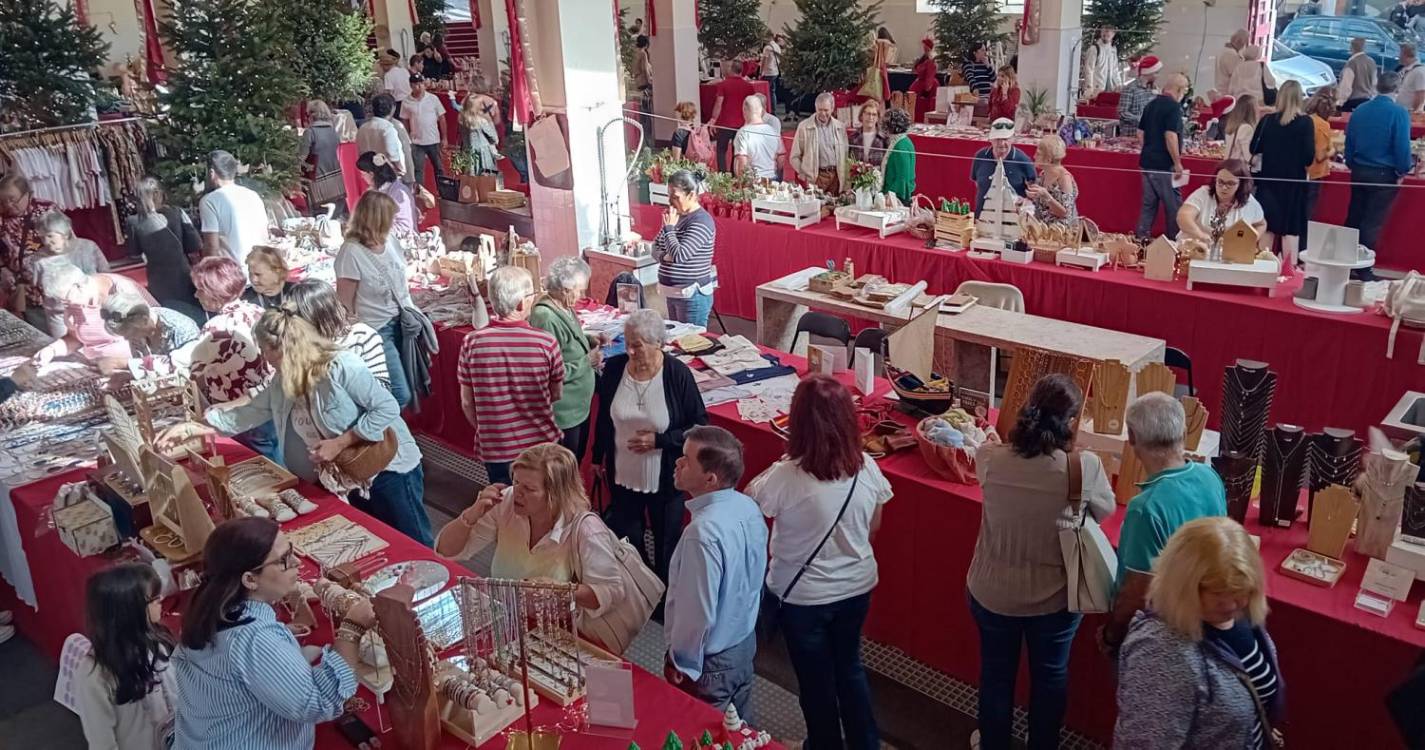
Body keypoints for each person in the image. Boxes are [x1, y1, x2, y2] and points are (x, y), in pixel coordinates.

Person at [188, 306, 431, 542]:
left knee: (413, 541)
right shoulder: (284, 379)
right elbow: (250, 412)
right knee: (381, 540)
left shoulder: (340, 365)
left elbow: (387, 406)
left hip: (388, 470)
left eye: (263, 349)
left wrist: (341, 442)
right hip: (349, 476)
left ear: (282, 348)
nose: (263, 357)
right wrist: (199, 428)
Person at [966, 374, 1115, 750]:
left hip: (993, 590)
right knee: (1050, 677)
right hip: (1056, 599)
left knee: (996, 676)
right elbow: (1105, 510)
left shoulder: (990, 457)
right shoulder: (1084, 468)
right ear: (1072, 421)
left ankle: (993, 742)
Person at [745, 376, 890, 750]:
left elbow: (748, 505)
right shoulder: (868, 468)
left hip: (802, 596)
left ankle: (823, 744)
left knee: (815, 681)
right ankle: (865, 743)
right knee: (850, 669)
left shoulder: (785, 476)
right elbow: (873, 527)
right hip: (857, 587)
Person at [172, 518, 373, 748]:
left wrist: (283, 640)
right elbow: (318, 702)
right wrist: (352, 629)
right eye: (284, 560)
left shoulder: (214, 608)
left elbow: (237, 661)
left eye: (292, 551)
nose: (297, 562)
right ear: (249, 579)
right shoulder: (255, 639)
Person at [1114, 517, 1284, 748]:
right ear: (1183, 584)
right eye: (1217, 592)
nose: (1231, 605)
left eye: (1239, 591)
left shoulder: (1241, 617)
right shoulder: (1162, 653)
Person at [434, 442, 629, 641]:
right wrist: (471, 514)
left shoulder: (585, 529)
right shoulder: (507, 501)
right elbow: (445, 551)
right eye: (516, 481)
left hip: (554, 633)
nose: (517, 492)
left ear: (555, 495)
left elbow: (612, 592)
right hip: (503, 617)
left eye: (529, 488)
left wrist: (562, 590)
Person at [1100, 393, 1227, 655]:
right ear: (1182, 431)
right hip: (1202, 624)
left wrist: (1112, 634)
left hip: (1161, 640)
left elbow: (1138, 591)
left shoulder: (1146, 508)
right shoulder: (1210, 477)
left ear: (1133, 437)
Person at [592, 309, 708, 582]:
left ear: (658, 343)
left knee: (667, 541)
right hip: (622, 475)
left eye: (637, 345)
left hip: (666, 479)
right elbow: (604, 420)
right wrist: (597, 457)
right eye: (628, 342)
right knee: (629, 539)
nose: (630, 351)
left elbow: (699, 425)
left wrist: (660, 441)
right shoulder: (614, 369)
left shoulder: (677, 375)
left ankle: (667, 595)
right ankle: (641, 588)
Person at [664, 425, 767, 722]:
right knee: (739, 730)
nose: (677, 462)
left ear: (710, 479)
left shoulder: (702, 532)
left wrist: (680, 663)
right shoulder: (747, 507)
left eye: (687, 460)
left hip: (709, 662)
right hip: (743, 642)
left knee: (702, 733)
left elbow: (697, 612)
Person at [457, 266, 563, 485]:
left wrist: (489, 429)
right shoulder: (545, 342)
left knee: (504, 508)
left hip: (496, 448)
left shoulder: (472, 342)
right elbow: (556, 393)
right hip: (539, 444)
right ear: (521, 303)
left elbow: (467, 402)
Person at [75, 563, 176, 750]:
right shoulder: (94, 675)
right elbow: (102, 743)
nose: (160, 599)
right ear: (129, 611)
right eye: (153, 598)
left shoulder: (158, 641)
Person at [190, 256, 277, 459]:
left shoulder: (216, 327)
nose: (195, 295)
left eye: (200, 290)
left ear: (214, 293)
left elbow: (187, 366)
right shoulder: (258, 311)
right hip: (271, 401)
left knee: (262, 467)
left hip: (242, 409)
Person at [333, 192, 414, 408]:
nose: (394, 222)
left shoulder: (391, 241)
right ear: (376, 219)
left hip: (403, 323)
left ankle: (396, 434)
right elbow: (344, 303)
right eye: (390, 217)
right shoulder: (351, 253)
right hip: (377, 330)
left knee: (411, 386)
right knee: (399, 393)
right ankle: (380, 433)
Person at [529, 257, 601, 460]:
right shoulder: (545, 317)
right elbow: (548, 370)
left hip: (578, 407)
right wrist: (587, 361)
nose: (582, 295)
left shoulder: (564, 307)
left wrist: (589, 339)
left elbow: (567, 341)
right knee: (564, 469)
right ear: (564, 289)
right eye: (579, 290)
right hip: (564, 413)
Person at [1345, 71, 1412, 277]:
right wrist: (1403, 169)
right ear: (1397, 89)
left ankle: (1345, 261)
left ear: (1377, 86)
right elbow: (1402, 147)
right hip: (1383, 174)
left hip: (1359, 170)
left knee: (1354, 217)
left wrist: (1351, 163)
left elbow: (1349, 142)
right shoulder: (1399, 113)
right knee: (1371, 221)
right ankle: (1363, 267)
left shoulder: (1360, 110)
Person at [30, 261, 150, 367]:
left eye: (66, 299)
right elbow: (75, 338)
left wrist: (121, 364)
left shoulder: (119, 291)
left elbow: (149, 337)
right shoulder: (75, 301)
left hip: (133, 366)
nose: (65, 304)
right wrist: (52, 350)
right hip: (98, 367)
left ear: (79, 286)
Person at [1250, 80, 1315, 269]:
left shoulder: (1267, 121)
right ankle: (1289, 270)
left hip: (1268, 181)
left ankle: (1262, 267)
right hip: (1293, 183)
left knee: (1267, 226)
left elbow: (1253, 147)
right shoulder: (1305, 123)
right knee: (1291, 230)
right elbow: (1308, 157)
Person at [287, 279, 391, 394]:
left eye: (297, 316)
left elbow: (383, 389)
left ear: (321, 315)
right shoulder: (297, 347)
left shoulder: (361, 337)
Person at [125, 177, 202, 325]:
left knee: (168, 318)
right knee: (192, 314)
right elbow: (194, 244)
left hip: (158, 279)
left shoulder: (133, 221)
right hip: (183, 274)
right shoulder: (178, 212)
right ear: (158, 193)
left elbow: (134, 253)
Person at [653, 170, 717, 328]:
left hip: (692, 296)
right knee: (676, 342)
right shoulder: (676, 217)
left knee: (690, 343)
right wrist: (664, 257)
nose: (670, 202)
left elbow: (680, 255)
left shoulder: (701, 221)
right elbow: (654, 247)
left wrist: (669, 229)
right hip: (673, 293)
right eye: (668, 196)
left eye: (675, 197)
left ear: (691, 195)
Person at [1134, 71, 1188, 241]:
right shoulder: (1174, 108)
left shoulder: (1151, 104)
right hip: (1164, 165)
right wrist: (1177, 162)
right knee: (1174, 205)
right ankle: (1175, 241)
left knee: (1149, 204)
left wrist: (1149, 148)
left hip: (1147, 161)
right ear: (1179, 90)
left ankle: (1141, 237)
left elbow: (1140, 133)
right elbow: (1170, 136)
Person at [199, 150, 267, 277]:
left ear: (212, 173)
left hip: (233, 275)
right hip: (259, 270)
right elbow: (264, 234)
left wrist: (209, 276)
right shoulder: (252, 195)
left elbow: (211, 246)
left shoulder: (209, 201)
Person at [0, 172, 56, 324]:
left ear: (27, 194)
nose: (9, 206)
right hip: (22, 290)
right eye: (3, 202)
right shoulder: (1, 218)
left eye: (13, 200)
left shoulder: (46, 211)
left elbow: (66, 241)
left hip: (52, 285)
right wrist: (3, 268)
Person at [101, 292, 202, 371]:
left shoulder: (181, 329)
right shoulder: (137, 329)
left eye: (130, 333)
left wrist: (122, 364)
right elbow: (144, 369)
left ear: (144, 320)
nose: (127, 338)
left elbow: (187, 368)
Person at [1175, 159, 1267, 245]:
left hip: (1228, 254)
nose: (1224, 187)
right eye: (1220, 182)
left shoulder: (1249, 202)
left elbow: (1261, 224)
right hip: (1194, 247)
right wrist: (1201, 235)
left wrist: (1249, 241)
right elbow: (1183, 217)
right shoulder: (1203, 194)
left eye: (1230, 183)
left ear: (1241, 184)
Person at [970, 118, 1036, 217]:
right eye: (998, 139)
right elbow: (977, 183)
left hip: (1013, 221)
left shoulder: (1023, 160)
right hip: (982, 218)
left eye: (1005, 139)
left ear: (1012, 139)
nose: (1001, 143)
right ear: (991, 139)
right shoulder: (980, 156)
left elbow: (1033, 189)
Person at [297, 100, 347, 219]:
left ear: (311, 115)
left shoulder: (310, 132)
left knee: (319, 214)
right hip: (335, 176)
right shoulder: (333, 131)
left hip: (316, 178)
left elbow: (302, 157)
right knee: (334, 213)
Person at [790, 93, 848, 193]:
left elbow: (846, 155)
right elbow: (794, 157)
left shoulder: (840, 127)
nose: (823, 113)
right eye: (820, 110)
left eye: (826, 110)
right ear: (815, 108)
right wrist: (802, 173)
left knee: (834, 207)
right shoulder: (804, 127)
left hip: (836, 177)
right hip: (816, 178)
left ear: (832, 108)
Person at [706, 63, 757, 171]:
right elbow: (752, 104)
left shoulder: (723, 85)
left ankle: (723, 174)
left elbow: (719, 103)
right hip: (742, 123)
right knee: (737, 151)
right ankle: (735, 173)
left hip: (725, 123)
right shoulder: (749, 86)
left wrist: (713, 119)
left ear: (731, 70)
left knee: (721, 150)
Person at [1304, 89, 1338, 248]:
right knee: (1307, 216)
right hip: (1314, 174)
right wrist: (1332, 150)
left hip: (1300, 173)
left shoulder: (1306, 120)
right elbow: (1319, 155)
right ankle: (1303, 250)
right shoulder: (1323, 125)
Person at [356, 151, 418, 236]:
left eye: (363, 174)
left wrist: (374, 232)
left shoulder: (398, 193)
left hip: (403, 243)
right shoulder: (373, 191)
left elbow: (405, 227)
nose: (362, 177)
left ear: (371, 174)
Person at [401, 74, 446, 188]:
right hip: (417, 141)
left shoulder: (433, 98)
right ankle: (420, 193)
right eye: (416, 84)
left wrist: (444, 138)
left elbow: (441, 118)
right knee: (418, 170)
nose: (419, 86)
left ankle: (443, 190)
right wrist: (407, 138)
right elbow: (405, 120)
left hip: (433, 139)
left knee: (439, 168)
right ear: (411, 85)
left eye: (421, 83)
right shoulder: (406, 101)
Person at [1027, 134, 1079, 228]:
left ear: (1048, 159)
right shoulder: (1043, 174)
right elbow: (1042, 207)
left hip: (1061, 233)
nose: (1034, 156)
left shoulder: (1064, 178)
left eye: (1038, 154)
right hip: (1043, 229)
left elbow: (1065, 214)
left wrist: (1046, 196)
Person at [355, 94, 409, 182]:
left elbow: (360, 151)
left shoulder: (363, 128)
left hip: (370, 174)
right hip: (388, 174)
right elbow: (393, 155)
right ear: (392, 109)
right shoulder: (387, 128)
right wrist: (400, 169)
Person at [733, 95, 784, 180]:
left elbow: (742, 162)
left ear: (745, 111)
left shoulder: (743, 132)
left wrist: (742, 182)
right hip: (772, 177)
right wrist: (777, 175)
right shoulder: (772, 130)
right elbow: (781, 157)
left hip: (753, 180)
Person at [1117, 56, 1163, 136]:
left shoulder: (1153, 89)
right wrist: (1141, 120)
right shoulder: (1130, 88)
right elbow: (1122, 112)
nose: (1158, 76)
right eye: (1156, 72)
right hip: (1131, 135)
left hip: (1148, 135)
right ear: (1148, 72)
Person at [457, 93, 501, 176]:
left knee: (470, 175)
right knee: (486, 175)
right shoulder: (481, 121)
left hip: (467, 150)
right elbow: (493, 136)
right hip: (482, 151)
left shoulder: (462, 120)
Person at [880, 107, 916, 204]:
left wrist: (889, 195)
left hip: (897, 197)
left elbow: (902, 177)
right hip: (897, 194)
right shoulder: (903, 141)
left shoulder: (900, 146)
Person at [242, 244, 290, 311]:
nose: (253, 279)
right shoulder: (245, 299)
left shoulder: (295, 293)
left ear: (276, 272)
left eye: (258, 274)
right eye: (250, 273)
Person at [1337, 38, 1379, 111]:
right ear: (1364, 48)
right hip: (1367, 101)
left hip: (1353, 102)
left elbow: (1346, 86)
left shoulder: (1352, 63)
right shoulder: (1372, 62)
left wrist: (1339, 103)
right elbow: (1374, 84)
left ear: (1351, 47)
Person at [1082, 25, 1123, 100]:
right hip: (1097, 90)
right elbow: (1089, 70)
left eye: (1108, 34)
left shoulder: (1113, 50)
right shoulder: (1094, 49)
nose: (1105, 36)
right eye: (1104, 33)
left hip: (1110, 89)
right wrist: (1089, 88)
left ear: (1113, 35)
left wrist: (1118, 84)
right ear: (1101, 33)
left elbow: (1115, 69)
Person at [859, 28, 896, 103]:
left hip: (866, 102)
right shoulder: (881, 66)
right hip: (878, 103)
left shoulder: (865, 67)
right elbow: (887, 95)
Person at [1222, 94, 1258, 164]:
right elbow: (1248, 158)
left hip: (1228, 165)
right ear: (1251, 110)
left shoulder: (1233, 125)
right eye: (1257, 106)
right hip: (1239, 169)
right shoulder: (1247, 128)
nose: (1259, 108)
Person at [849, 99, 888, 164]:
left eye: (874, 114)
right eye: (868, 114)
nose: (870, 117)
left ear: (878, 118)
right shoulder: (853, 137)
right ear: (862, 116)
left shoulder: (884, 138)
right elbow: (849, 161)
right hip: (857, 174)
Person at [910, 38, 940, 122]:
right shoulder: (923, 58)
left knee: (923, 108)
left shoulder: (930, 60)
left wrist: (927, 90)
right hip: (920, 86)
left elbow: (929, 75)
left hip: (926, 88)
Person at [1215, 30, 1248, 96]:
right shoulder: (1231, 54)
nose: (1244, 46)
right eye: (1244, 43)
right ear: (1240, 42)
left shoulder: (1223, 50)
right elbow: (1237, 76)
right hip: (1227, 93)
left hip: (1221, 91)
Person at [633, 36, 655, 137]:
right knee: (647, 106)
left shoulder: (634, 52)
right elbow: (645, 69)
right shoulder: (643, 53)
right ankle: (648, 130)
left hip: (636, 80)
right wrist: (650, 80)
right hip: (643, 81)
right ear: (646, 44)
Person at [381, 51, 412, 115]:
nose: (382, 68)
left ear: (386, 65)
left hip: (399, 103)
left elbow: (389, 93)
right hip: (410, 100)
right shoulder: (404, 70)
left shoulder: (388, 75)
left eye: (382, 66)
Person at [1397, 43, 1425, 113]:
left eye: (1400, 53)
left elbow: (1421, 97)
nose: (1398, 56)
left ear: (1405, 54)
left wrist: (1414, 114)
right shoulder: (1406, 70)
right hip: (1402, 111)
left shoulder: (1419, 72)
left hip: (1409, 113)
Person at [761, 34, 784, 113]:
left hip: (768, 72)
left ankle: (766, 110)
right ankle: (773, 110)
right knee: (772, 92)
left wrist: (760, 72)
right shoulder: (777, 46)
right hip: (775, 72)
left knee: (765, 92)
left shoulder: (767, 48)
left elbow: (763, 61)